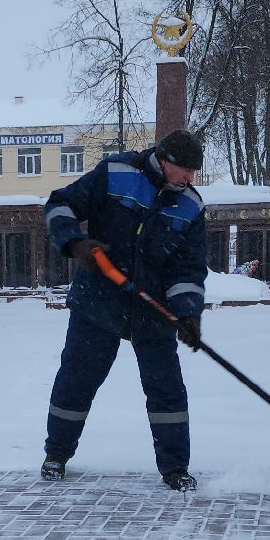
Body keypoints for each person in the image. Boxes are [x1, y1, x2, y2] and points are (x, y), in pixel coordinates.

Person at [40, 129, 209, 491]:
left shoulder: (191, 206)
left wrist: (189, 314)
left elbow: (188, 269)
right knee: (77, 379)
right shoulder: (116, 172)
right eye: (184, 169)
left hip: (153, 310)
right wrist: (75, 242)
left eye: (195, 171)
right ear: (164, 159)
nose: (190, 178)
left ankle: (175, 467)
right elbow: (60, 204)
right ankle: (56, 454)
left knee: (167, 390)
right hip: (98, 300)